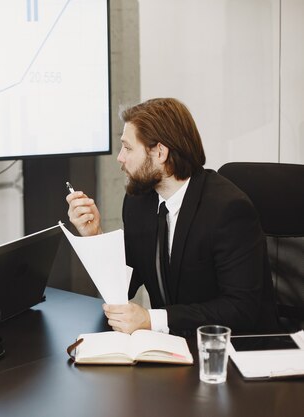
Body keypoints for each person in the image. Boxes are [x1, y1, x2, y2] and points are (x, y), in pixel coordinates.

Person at [66, 98, 278, 336]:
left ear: (160, 152)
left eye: (127, 148)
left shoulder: (228, 210)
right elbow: (125, 286)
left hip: (228, 351)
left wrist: (150, 319)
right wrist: (95, 236)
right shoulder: (139, 201)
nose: (120, 158)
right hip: (171, 348)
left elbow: (240, 310)